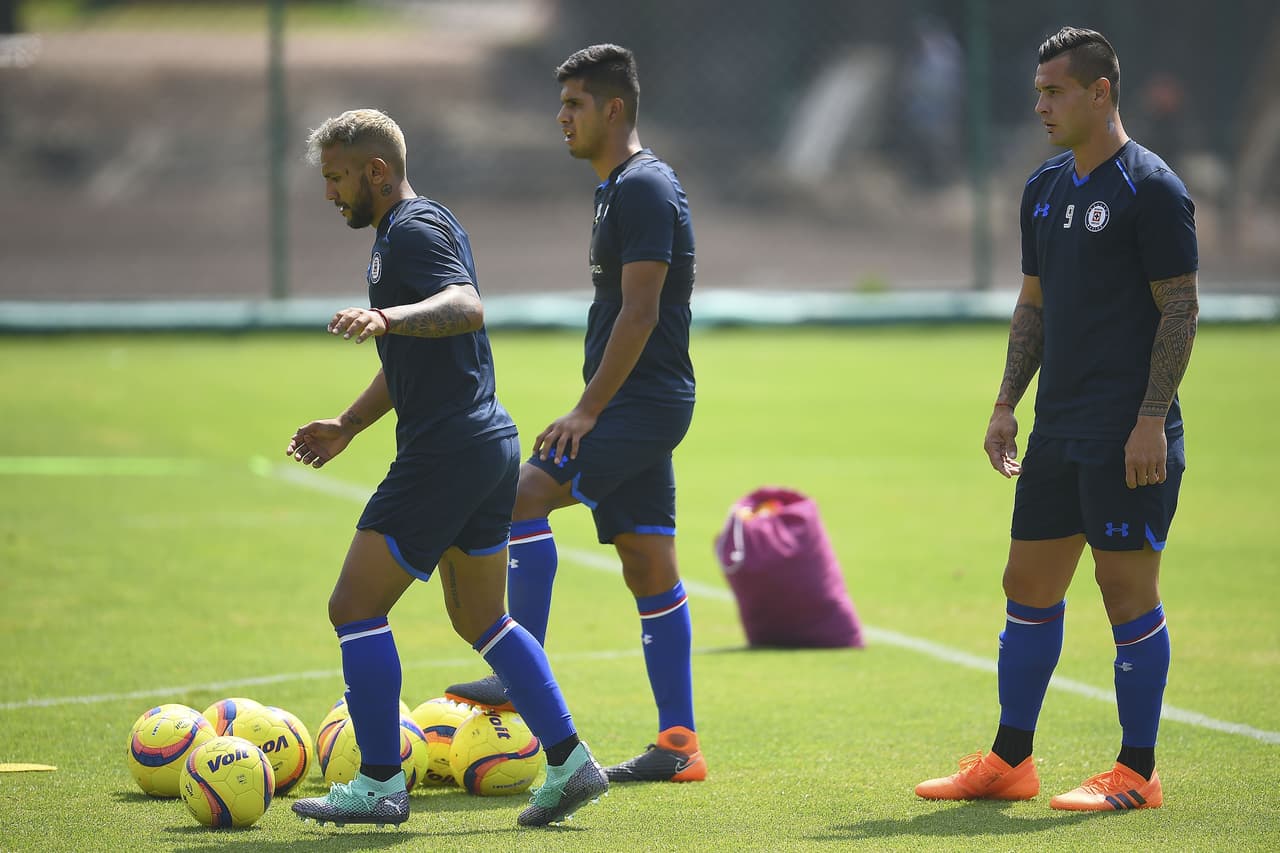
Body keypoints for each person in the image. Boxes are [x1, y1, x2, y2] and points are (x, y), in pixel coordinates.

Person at [287, 108, 608, 829]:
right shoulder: (399, 235)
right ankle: (569, 761)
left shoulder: (413, 229)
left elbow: (466, 307)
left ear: (376, 170)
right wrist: (347, 424)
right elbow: (409, 361)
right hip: (484, 442)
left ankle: (376, 782)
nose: (330, 193)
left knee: (354, 607)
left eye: (337, 178)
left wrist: (390, 318)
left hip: (448, 451)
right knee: (481, 616)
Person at [915, 27, 1198, 811]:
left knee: (1124, 592)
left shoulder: (1153, 189)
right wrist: (1007, 402)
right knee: (1027, 584)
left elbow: (1180, 308)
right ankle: (1012, 760)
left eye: (1054, 91)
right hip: (1057, 428)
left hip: (1128, 433)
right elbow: (1033, 304)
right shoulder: (1042, 188)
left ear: (1100, 92)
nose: (1039, 104)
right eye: (1038, 91)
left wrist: (1152, 417)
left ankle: (1137, 771)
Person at [444, 44, 705, 784]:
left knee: (522, 495)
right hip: (638, 402)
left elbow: (642, 310)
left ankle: (520, 670)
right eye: (560, 105)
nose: (561, 118)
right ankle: (679, 746)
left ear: (613, 108)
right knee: (648, 561)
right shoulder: (615, 188)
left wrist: (588, 410)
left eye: (574, 106)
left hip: (641, 405)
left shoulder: (645, 187)